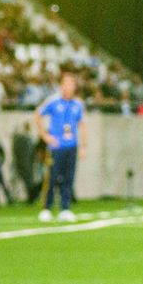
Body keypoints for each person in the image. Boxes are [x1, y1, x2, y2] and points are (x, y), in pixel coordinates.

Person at [35, 71, 87, 223]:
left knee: (68, 178)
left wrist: (84, 146)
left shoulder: (78, 105)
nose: (68, 87)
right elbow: (37, 115)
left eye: (71, 83)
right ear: (61, 85)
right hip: (56, 147)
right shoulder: (53, 101)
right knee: (51, 177)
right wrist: (45, 136)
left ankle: (65, 208)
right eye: (66, 83)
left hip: (71, 146)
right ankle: (46, 208)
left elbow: (82, 125)